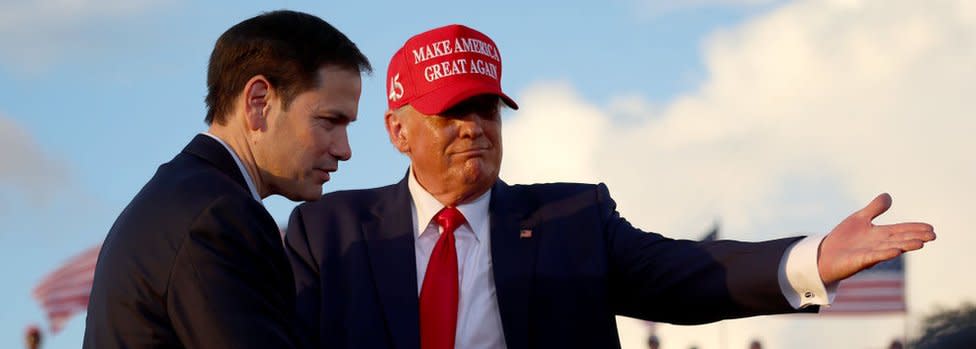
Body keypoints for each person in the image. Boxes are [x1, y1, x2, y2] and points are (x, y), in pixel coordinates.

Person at [284, 24, 935, 349]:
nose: (474, 128)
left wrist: (808, 259)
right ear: (398, 130)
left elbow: (688, 271)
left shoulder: (574, 218)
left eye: (486, 109)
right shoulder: (327, 232)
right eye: (451, 113)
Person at [84, 10, 371, 348]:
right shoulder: (220, 218)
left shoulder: (185, 198)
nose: (345, 149)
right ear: (259, 102)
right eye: (328, 121)